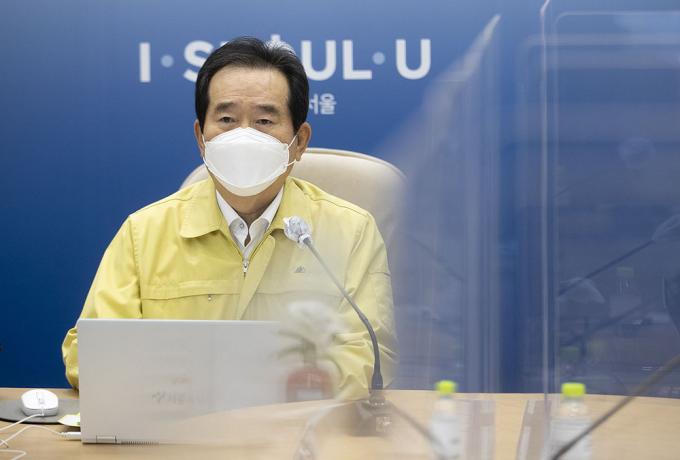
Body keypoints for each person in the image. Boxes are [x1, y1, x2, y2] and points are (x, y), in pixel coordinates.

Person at [61, 36, 397, 400]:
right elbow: (89, 353)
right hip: (176, 425)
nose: (243, 136)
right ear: (201, 138)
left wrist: (255, 385)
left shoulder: (350, 231)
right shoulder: (144, 233)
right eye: (226, 119)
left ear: (299, 141)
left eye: (264, 120)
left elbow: (369, 355)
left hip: (298, 425)